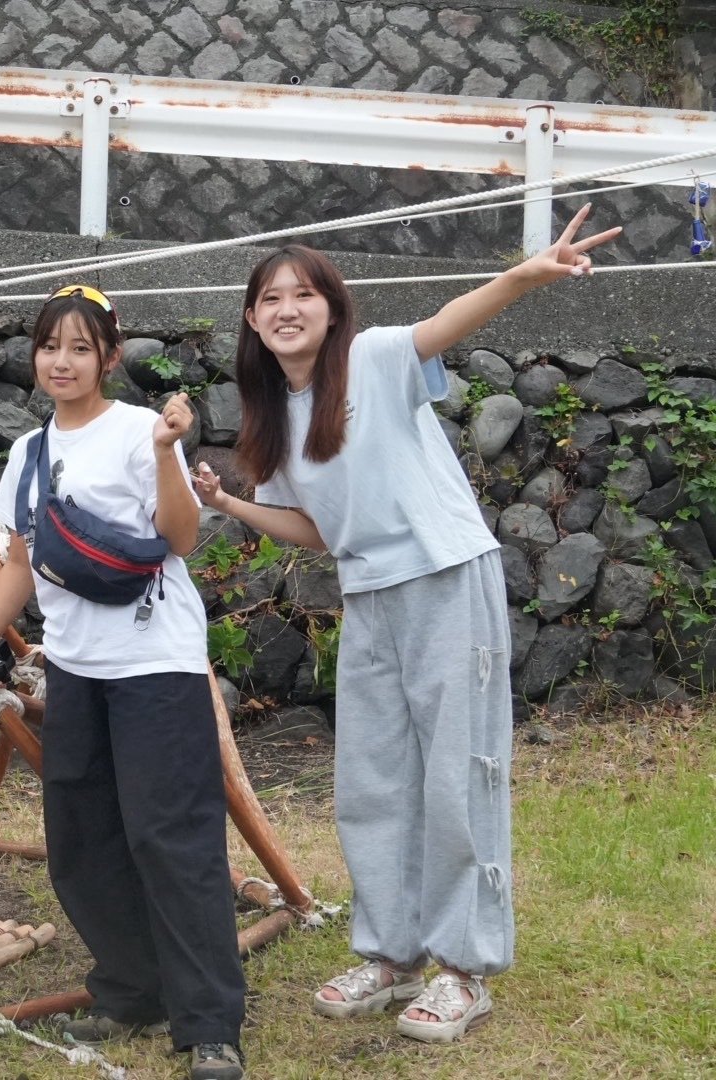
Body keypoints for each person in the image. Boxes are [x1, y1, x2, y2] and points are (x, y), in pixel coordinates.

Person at [192, 207, 619, 1045]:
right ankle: (391, 956)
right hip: (370, 596)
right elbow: (319, 528)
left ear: (332, 306)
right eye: (270, 298)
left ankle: (465, 969)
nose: (287, 309)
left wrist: (527, 275)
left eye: (304, 295)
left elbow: (444, 326)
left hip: (444, 578)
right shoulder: (275, 417)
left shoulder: (374, 358)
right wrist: (232, 502)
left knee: (457, 774)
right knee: (374, 780)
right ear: (250, 317)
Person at [0, 284, 246, 1080]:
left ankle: (210, 1020)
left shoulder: (136, 432)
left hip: (156, 665)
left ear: (109, 359)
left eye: (81, 348)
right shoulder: (28, 453)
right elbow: (21, 562)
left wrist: (164, 455)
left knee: (172, 838)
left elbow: (182, 539)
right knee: (81, 839)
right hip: (75, 666)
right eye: (52, 345)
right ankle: (133, 988)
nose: (62, 360)